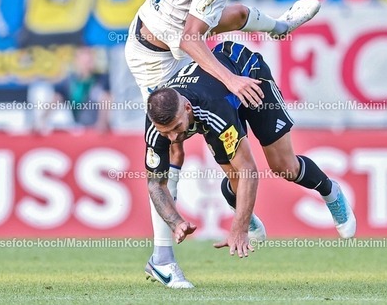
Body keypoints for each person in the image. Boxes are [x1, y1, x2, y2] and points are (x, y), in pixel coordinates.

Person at [43, 0, 320, 288]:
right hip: (156, 60)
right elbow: (192, 39)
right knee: (172, 144)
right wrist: (231, 79)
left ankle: (280, 27)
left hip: (153, 30)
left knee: (238, 15)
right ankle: (162, 258)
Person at [145, 41, 356, 274]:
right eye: (165, 132)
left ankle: (330, 192)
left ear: (187, 109)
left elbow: (249, 170)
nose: (173, 137)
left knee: (284, 167)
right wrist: (175, 222)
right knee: (234, 179)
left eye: (177, 127)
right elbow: (155, 183)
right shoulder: (157, 120)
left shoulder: (212, 109)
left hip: (250, 79)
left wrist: (239, 229)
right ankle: (241, 208)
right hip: (217, 96)